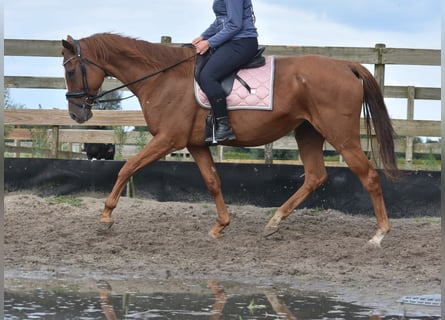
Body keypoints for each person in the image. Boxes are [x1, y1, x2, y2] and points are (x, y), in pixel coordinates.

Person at [192, 0, 258, 144]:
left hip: (242, 42)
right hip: (230, 41)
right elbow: (220, 21)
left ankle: (223, 125)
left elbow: (235, 24)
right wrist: (203, 36)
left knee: (208, 76)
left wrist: (209, 43)